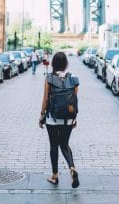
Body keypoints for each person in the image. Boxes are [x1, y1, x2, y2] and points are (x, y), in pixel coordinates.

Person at [39, 52, 80, 188]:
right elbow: (74, 100)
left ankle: (55, 176)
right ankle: (72, 168)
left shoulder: (49, 78)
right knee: (64, 144)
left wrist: (41, 115)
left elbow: (45, 99)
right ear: (66, 63)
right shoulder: (73, 79)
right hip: (68, 118)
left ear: (54, 64)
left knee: (54, 146)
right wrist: (74, 118)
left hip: (52, 119)